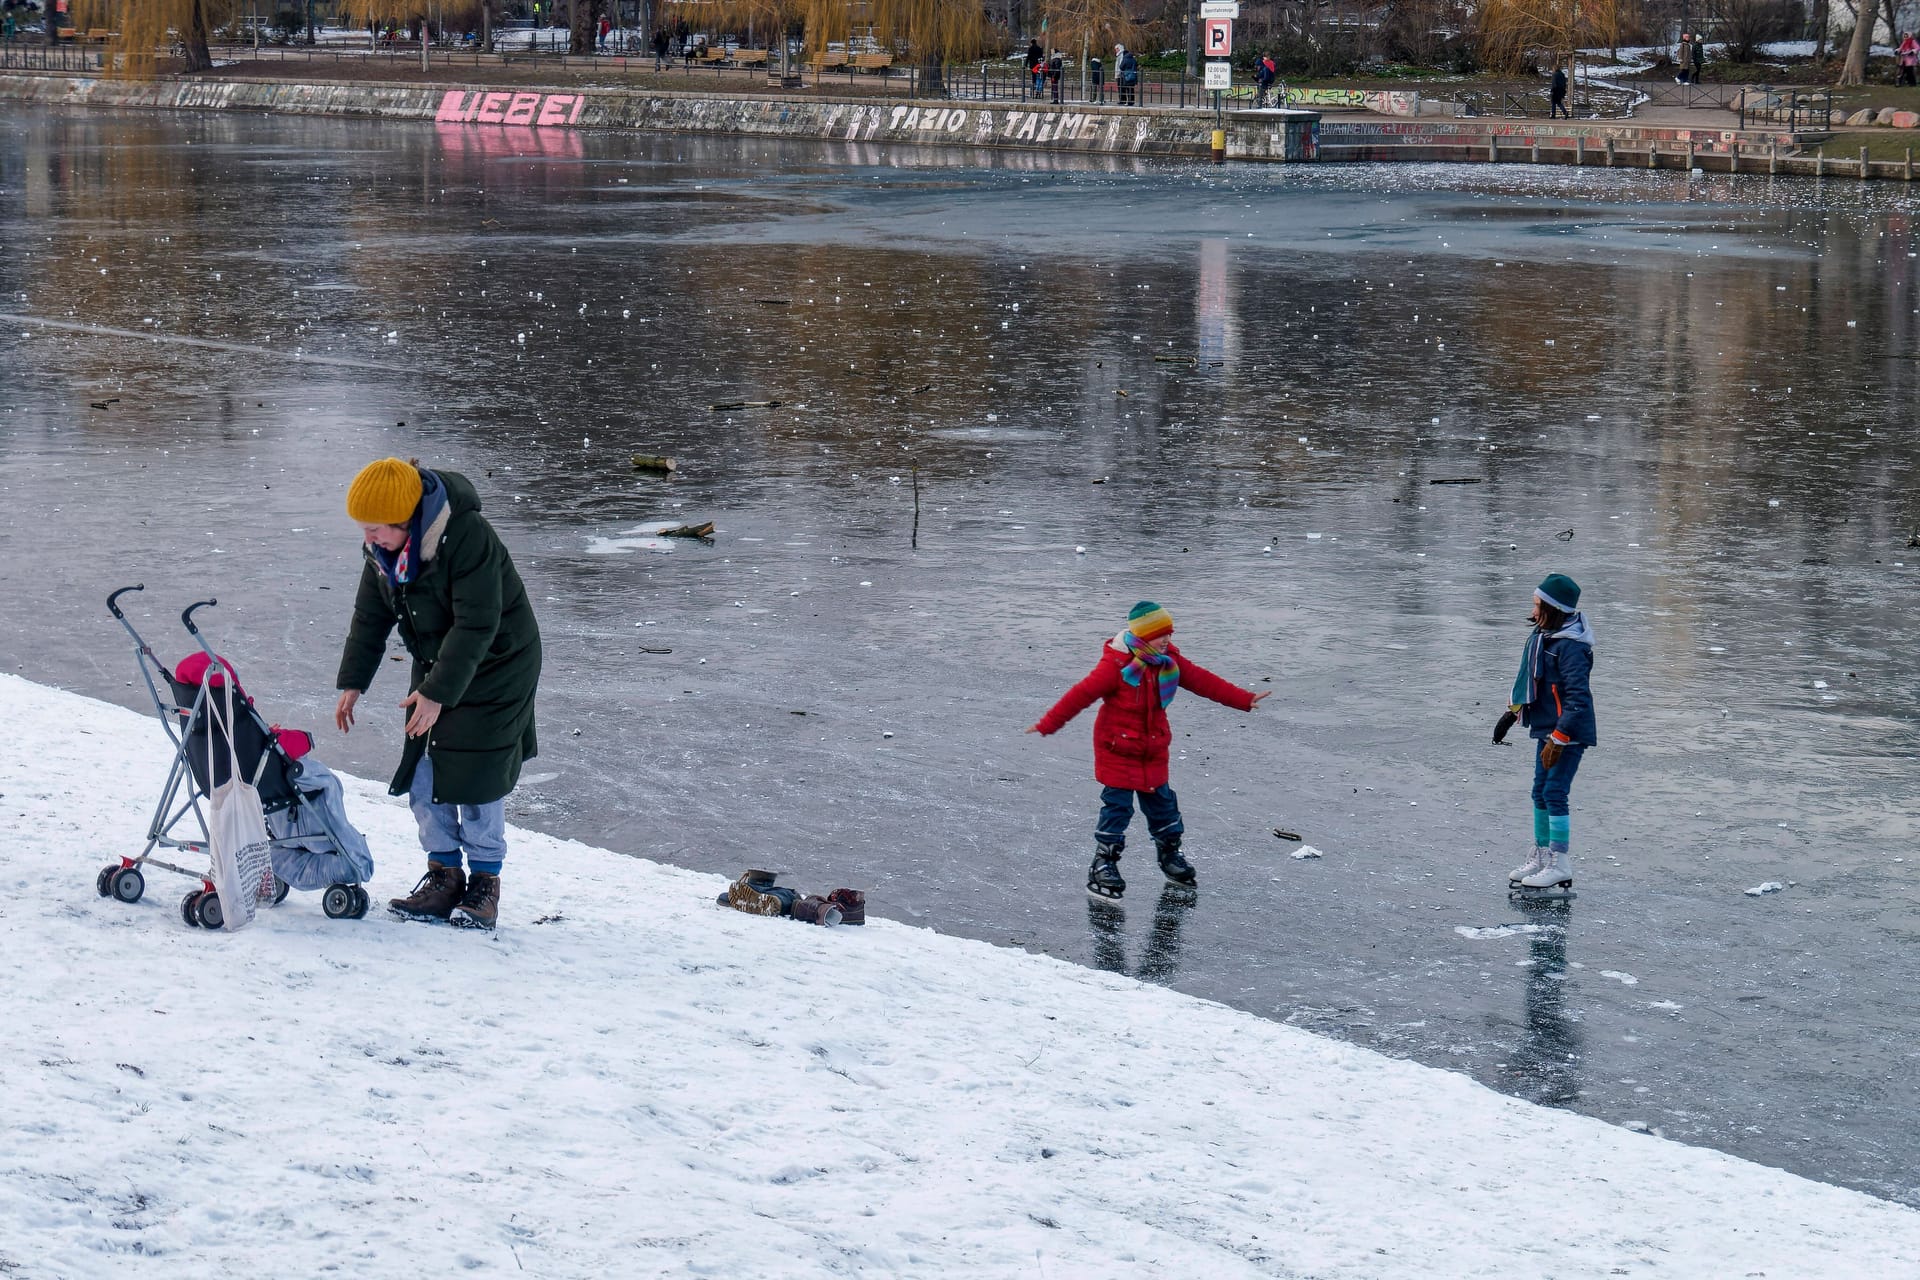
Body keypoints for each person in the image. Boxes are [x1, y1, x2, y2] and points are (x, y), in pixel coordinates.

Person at [335, 458, 542, 931]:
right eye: (364, 529)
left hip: (499, 662)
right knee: (425, 761)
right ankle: (443, 874)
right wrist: (353, 681)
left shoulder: (468, 538)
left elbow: (477, 625)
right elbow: (370, 616)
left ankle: (485, 883)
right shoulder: (383, 550)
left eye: (376, 529)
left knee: (479, 770)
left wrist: (435, 694)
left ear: (406, 518)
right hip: (439, 660)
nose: (369, 538)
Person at [1029, 602, 1268, 901]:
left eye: (1168, 633)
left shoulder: (1169, 661)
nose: (1166, 640)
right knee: (1117, 808)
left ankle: (1170, 856)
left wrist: (1243, 699)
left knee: (1163, 807)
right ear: (1141, 635)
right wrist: (1048, 724)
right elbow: (1080, 695)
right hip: (1117, 748)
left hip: (1152, 749)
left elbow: (1203, 681)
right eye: (1159, 635)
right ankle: (1103, 863)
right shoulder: (1116, 666)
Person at [1495, 574, 1595, 900]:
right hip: (1548, 729)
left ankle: (1560, 861)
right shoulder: (1544, 638)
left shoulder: (1570, 647)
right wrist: (1512, 714)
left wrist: (1560, 737)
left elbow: (1577, 699)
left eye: (1538, 604)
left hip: (1569, 733)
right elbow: (1533, 683)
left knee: (1554, 791)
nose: (1533, 610)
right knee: (1539, 790)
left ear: (1553, 608)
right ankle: (1540, 855)